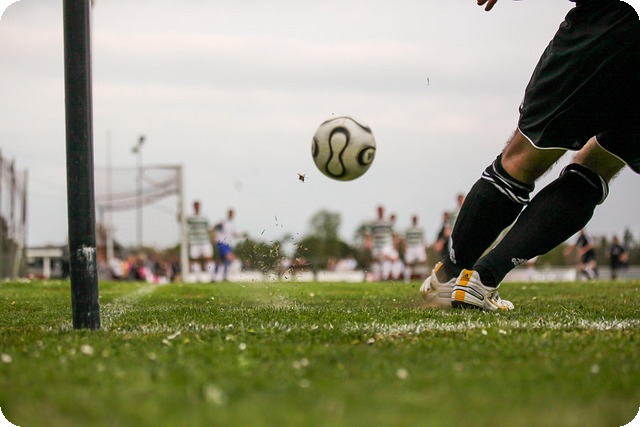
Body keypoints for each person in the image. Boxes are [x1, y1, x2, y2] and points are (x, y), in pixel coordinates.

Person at [421, 0, 639, 310]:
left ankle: (451, 276)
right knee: (598, 166)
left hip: (607, 21)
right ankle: (482, 279)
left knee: (521, 159)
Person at [186, 200, 216, 282]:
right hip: (194, 242)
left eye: (198, 206)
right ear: (193, 207)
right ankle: (197, 278)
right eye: (195, 206)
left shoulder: (204, 218)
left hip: (205, 241)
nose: (197, 207)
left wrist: (213, 236)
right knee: (195, 260)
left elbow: (209, 228)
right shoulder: (190, 218)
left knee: (209, 258)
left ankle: (212, 277)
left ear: (200, 207)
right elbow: (182, 222)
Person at [364, 205, 395, 281]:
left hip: (386, 244)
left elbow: (392, 233)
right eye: (379, 210)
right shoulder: (374, 222)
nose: (380, 212)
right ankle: (377, 277)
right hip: (376, 245)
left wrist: (393, 243)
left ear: (383, 211)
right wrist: (368, 241)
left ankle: (385, 276)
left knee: (385, 257)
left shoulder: (387, 222)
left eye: (381, 210)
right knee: (376, 260)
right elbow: (369, 233)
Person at [213, 208, 241, 281]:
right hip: (221, 242)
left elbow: (233, 234)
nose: (231, 214)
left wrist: (241, 235)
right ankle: (237, 265)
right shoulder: (223, 221)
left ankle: (219, 276)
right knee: (229, 257)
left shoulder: (233, 224)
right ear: (228, 213)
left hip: (228, 244)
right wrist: (213, 236)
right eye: (230, 213)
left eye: (232, 213)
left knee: (221, 260)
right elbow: (215, 227)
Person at [403, 214, 428, 282]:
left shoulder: (420, 228)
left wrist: (425, 247)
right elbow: (405, 239)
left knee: (423, 262)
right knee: (408, 263)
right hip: (410, 247)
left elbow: (423, 239)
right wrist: (405, 247)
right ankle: (406, 280)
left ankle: (424, 278)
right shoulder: (408, 229)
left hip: (419, 246)